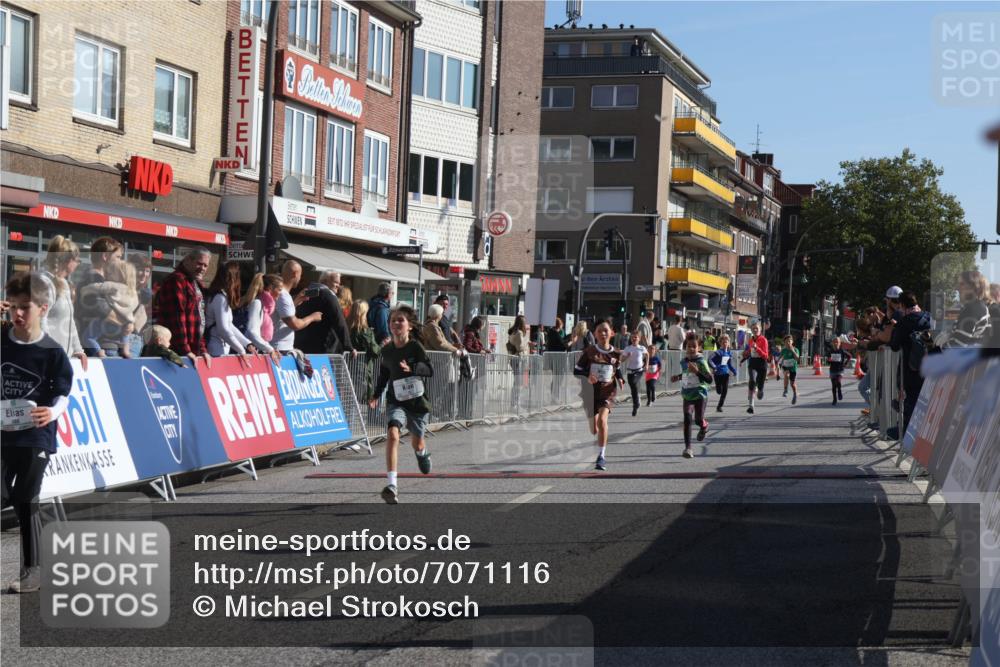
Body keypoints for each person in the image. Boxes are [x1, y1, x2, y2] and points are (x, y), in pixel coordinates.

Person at [1, 272, 74, 593]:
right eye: (12, 307)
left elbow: (63, 392)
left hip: (35, 436)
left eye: (25, 307)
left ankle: (33, 570)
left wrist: (53, 411)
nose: (17, 314)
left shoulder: (52, 351)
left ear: (43, 308)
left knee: (26, 500)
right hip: (3, 433)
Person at [368, 305, 434, 504]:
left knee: (417, 442)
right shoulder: (387, 350)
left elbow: (429, 370)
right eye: (393, 320)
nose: (396, 323)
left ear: (409, 326)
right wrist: (376, 394)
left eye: (401, 320)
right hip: (396, 401)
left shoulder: (415, 347)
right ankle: (392, 485)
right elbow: (384, 374)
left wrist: (412, 367)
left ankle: (422, 453)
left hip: (416, 402)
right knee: (392, 434)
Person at [573, 320, 624, 471]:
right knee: (594, 429)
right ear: (594, 334)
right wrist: (588, 375)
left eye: (605, 330)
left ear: (612, 333)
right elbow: (576, 370)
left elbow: (617, 368)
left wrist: (620, 378)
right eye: (599, 331)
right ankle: (599, 444)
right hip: (590, 393)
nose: (602, 333)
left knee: (602, 422)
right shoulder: (589, 351)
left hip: (607, 393)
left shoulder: (616, 353)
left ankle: (601, 456)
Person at [153, 247, 211, 365]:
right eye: (199, 264)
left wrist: (203, 349)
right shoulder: (177, 280)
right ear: (188, 260)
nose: (202, 268)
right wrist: (185, 350)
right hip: (176, 354)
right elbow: (177, 318)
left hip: (192, 353)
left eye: (205, 266)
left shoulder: (196, 283)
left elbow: (200, 320)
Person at [40, 235, 87, 368]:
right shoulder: (45, 282)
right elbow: (40, 320)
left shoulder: (64, 284)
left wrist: (78, 350)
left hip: (62, 359)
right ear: (68, 261)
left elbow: (70, 321)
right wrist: (49, 350)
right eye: (77, 260)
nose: (78, 264)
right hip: (48, 359)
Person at [79, 259, 142, 358]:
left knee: (87, 338)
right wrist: (129, 321)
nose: (108, 274)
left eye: (111, 272)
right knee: (125, 335)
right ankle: (126, 350)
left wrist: (84, 289)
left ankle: (99, 351)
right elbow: (135, 306)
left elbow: (98, 287)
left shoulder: (113, 286)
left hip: (106, 321)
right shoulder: (133, 292)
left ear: (120, 275)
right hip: (124, 324)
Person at [889, 291, 931, 433]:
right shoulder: (928, 317)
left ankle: (907, 433)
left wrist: (895, 328)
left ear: (902, 305)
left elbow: (894, 346)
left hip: (911, 369)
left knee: (912, 400)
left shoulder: (905, 322)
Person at [75, 236, 124, 356]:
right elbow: (102, 309)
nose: (120, 261)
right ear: (105, 256)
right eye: (117, 257)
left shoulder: (97, 279)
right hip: (101, 347)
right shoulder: (93, 280)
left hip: (103, 344)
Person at [670, 333, 714, 459]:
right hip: (688, 394)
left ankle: (704, 426)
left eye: (694, 346)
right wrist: (677, 377)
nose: (691, 349)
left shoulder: (701, 361)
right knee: (687, 418)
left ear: (699, 347)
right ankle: (688, 448)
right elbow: (685, 374)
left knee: (698, 419)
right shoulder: (684, 361)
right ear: (685, 348)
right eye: (688, 346)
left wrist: (697, 371)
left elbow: (709, 379)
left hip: (700, 394)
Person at [295, 271, 354, 355]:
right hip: (323, 348)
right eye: (336, 282)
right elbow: (339, 322)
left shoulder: (306, 292)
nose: (338, 286)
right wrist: (348, 347)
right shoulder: (328, 295)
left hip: (301, 345)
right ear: (325, 281)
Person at [270, 260, 322, 354]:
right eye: (300, 275)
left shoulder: (283, 294)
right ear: (295, 274)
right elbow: (295, 324)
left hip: (279, 347)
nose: (300, 278)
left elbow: (281, 315)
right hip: (279, 348)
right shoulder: (283, 295)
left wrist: (297, 301)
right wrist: (313, 317)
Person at [205, 261, 255, 357]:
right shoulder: (220, 298)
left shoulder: (220, 296)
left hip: (219, 349)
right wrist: (241, 350)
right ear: (233, 278)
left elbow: (229, 326)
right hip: (216, 350)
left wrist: (247, 343)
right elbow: (223, 329)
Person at [238, 273, 282, 363]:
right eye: (279, 290)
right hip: (246, 352)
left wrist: (269, 348)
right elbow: (252, 331)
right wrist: (270, 349)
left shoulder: (263, 306)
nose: (281, 293)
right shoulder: (257, 303)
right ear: (270, 288)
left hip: (251, 351)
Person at [941, 270, 991, 348]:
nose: (957, 288)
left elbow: (958, 344)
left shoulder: (972, 309)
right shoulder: (979, 307)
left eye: (962, 284)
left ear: (973, 286)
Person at [348, 300, 380, 402]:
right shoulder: (364, 331)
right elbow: (375, 351)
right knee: (359, 399)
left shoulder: (347, 328)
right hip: (362, 368)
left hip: (349, 366)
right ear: (363, 314)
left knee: (350, 398)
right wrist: (382, 346)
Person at [126, 253, 153, 357]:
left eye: (147, 271)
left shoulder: (146, 293)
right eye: (140, 269)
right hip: (122, 339)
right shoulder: (123, 289)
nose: (144, 274)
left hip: (138, 339)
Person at [741, 322, 769, 414]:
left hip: (762, 364)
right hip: (753, 362)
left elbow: (765, 356)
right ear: (751, 330)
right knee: (752, 381)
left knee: (759, 388)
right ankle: (751, 406)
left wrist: (757, 348)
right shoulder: (750, 340)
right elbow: (749, 352)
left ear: (760, 329)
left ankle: (760, 389)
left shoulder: (764, 340)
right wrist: (744, 357)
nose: (755, 330)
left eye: (756, 328)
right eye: (753, 329)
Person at [621, 332, 649, 417]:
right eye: (632, 337)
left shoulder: (641, 348)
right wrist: (627, 356)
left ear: (639, 339)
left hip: (639, 370)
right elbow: (622, 360)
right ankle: (636, 402)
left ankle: (635, 405)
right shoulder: (627, 348)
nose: (634, 339)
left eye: (636, 337)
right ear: (631, 339)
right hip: (630, 371)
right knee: (633, 388)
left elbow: (647, 354)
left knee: (634, 383)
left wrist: (647, 364)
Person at [708, 334, 737, 412]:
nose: (725, 344)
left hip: (725, 374)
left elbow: (729, 364)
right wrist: (714, 367)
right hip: (717, 374)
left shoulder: (729, 353)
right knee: (719, 391)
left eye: (726, 342)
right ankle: (718, 388)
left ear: (728, 343)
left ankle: (719, 406)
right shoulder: (718, 352)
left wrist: (734, 371)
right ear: (720, 343)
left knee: (725, 390)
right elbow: (709, 359)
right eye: (723, 342)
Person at [826, 336, 852, 406]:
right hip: (832, 370)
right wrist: (829, 360)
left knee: (838, 381)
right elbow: (828, 360)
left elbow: (849, 356)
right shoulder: (830, 351)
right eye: (834, 342)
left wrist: (845, 363)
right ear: (832, 343)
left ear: (840, 343)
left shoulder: (842, 351)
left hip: (840, 370)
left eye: (837, 342)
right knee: (834, 385)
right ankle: (834, 399)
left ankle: (839, 391)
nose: (836, 343)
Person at [780, 334, 800, 404]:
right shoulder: (783, 350)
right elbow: (779, 359)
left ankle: (795, 394)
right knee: (786, 374)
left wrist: (792, 351)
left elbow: (797, 359)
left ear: (792, 342)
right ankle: (785, 390)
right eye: (786, 342)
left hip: (793, 368)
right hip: (785, 367)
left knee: (792, 384)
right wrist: (777, 368)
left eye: (789, 341)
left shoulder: (796, 349)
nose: (788, 343)